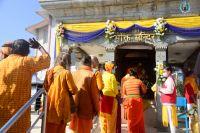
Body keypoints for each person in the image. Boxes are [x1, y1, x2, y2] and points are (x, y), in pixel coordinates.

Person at [0, 38, 50, 133]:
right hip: (19, 115)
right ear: (26, 52)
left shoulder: (1, 63)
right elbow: (47, 60)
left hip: (2, 114)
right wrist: (39, 47)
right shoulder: (26, 62)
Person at [43, 52, 78, 133]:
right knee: (60, 129)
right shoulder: (66, 73)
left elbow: (45, 88)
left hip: (49, 106)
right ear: (68, 62)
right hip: (61, 107)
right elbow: (74, 90)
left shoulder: (49, 72)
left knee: (48, 129)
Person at [69, 55, 99, 133]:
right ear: (90, 64)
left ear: (81, 63)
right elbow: (94, 95)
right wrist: (97, 110)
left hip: (73, 109)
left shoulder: (73, 74)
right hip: (86, 110)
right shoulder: (91, 75)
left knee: (74, 130)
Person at [121, 69, 147, 133]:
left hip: (129, 102)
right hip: (138, 101)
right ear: (136, 75)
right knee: (139, 119)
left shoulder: (125, 82)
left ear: (129, 75)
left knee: (130, 119)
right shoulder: (139, 81)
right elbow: (144, 91)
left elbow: (123, 94)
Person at [99, 62, 119, 133]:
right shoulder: (112, 76)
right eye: (113, 68)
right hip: (111, 99)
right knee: (111, 120)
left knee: (103, 119)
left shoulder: (102, 75)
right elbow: (115, 90)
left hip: (103, 98)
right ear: (110, 68)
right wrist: (117, 93)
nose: (114, 69)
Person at [159, 67, 178, 133]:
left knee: (171, 120)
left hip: (169, 103)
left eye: (164, 71)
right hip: (168, 103)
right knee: (170, 120)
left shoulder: (170, 80)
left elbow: (170, 91)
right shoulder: (168, 79)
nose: (163, 73)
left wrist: (161, 89)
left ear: (169, 71)